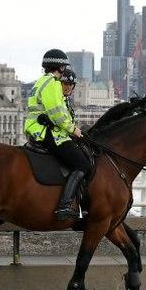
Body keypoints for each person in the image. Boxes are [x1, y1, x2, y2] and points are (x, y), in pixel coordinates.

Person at [24, 49, 90, 220]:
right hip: (49, 133)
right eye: (63, 67)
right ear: (60, 67)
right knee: (83, 164)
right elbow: (57, 114)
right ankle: (64, 205)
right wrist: (74, 130)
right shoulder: (53, 83)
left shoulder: (40, 82)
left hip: (35, 130)